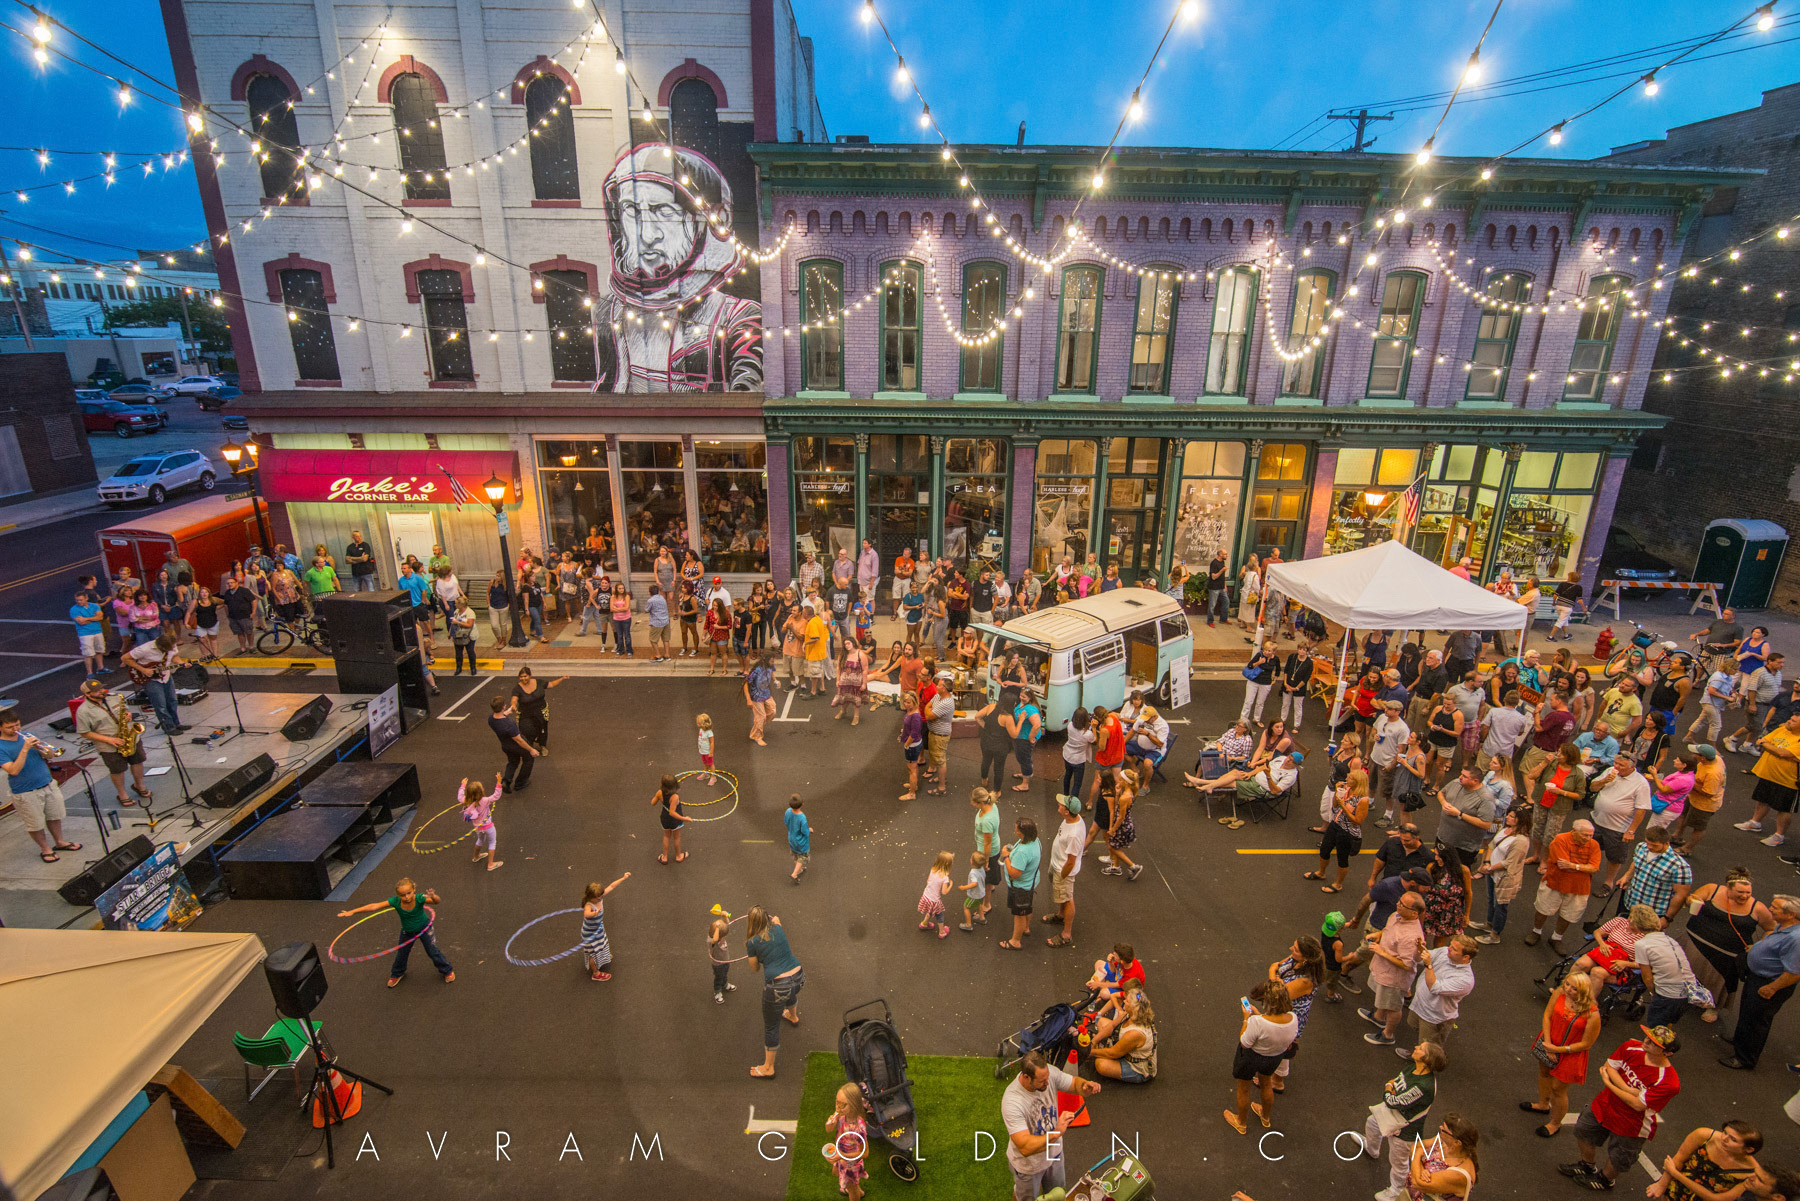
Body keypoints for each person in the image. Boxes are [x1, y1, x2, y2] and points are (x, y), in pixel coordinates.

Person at [1564, 1025, 1683, 1191]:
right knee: (1584, 1131)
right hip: (1604, 1105)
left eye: (1654, 1043)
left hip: (1631, 1123)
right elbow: (1609, 1067)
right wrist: (1630, 1090)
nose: (1646, 1041)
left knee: (1619, 1157)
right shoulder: (1631, 1046)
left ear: (1668, 1053)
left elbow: (1637, 1105)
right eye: (1648, 1036)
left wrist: (1609, 1084)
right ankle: (1587, 1165)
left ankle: (1605, 1180)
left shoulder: (1669, 1082)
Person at [1679, 869, 1777, 1025]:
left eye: (1748, 892)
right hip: (1694, 942)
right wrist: (1691, 900)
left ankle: (1713, 1007)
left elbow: (1772, 928)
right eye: (1740, 892)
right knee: (1685, 970)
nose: (1744, 896)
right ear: (1728, 888)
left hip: (1727, 955)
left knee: (1717, 983)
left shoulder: (1757, 908)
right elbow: (1691, 898)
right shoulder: (1712, 889)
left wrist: (1759, 946)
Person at [1004, 1048, 1102, 1200]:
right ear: (1026, 1077)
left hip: (1054, 1154)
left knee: (1057, 1193)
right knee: (1025, 1198)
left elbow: (1074, 1082)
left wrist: (1084, 1086)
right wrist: (1057, 1132)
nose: (1048, 1083)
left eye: (1048, 1078)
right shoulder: (1012, 1101)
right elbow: (1025, 1147)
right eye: (1042, 1081)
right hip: (1029, 1166)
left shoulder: (1047, 1073)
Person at [1719, 892, 1800, 1070]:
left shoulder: (1796, 939)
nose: (1770, 909)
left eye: (1775, 908)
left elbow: (1794, 973)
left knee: (1756, 1021)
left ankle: (1745, 1058)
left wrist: (1771, 988)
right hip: (1758, 978)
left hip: (1770, 983)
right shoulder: (1784, 926)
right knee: (1748, 1013)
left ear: (1790, 914)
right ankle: (1740, 1040)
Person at [1364, 1041, 1448, 1201]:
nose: (1416, 1047)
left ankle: (1397, 1190)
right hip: (1391, 1115)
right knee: (1372, 1123)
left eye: (1421, 1049)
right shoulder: (1414, 1068)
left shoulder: (1423, 1086)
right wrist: (1391, 1088)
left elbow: (1393, 1099)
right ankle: (1371, 1148)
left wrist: (1388, 1090)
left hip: (1405, 1131)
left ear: (1427, 1060)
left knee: (1399, 1162)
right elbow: (1396, 1082)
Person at [1523, 972, 1603, 1138]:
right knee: (1544, 1073)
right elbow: (1547, 1016)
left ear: (1584, 991)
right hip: (1550, 1043)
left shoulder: (1592, 1014)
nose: (1568, 989)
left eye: (1574, 988)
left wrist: (1556, 1050)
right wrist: (1548, 1043)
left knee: (1558, 1090)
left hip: (1570, 1053)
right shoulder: (1560, 993)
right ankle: (1543, 1104)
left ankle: (1555, 1123)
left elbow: (1586, 1044)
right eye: (1567, 984)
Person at [338, 877, 452, 988]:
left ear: (414, 890)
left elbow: (436, 901)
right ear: (398, 895)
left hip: (424, 929)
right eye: (402, 895)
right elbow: (374, 906)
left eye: (409, 893)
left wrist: (433, 896)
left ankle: (447, 970)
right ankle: (397, 973)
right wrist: (352, 912)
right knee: (401, 954)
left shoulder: (419, 898)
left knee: (432, 951)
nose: (406, 897)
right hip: (407, 932)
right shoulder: (395, 901)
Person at [0, 708, 82, 863]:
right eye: (10, 727)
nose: (16, 729)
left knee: (54, 815)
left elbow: (50, 755)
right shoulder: (1, 747)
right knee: (35, 823)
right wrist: (25, 749)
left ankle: (59, 842)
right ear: (0, 728)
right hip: (26, 791)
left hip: (47, 783)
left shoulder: (30, 736)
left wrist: (43, 749)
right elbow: (13, 770)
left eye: (17, 725)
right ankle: (45, 848)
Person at [1226, 980, 1297, 1133]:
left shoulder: (1256, 1022)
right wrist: (1259, 1015)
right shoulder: (1293, 1018)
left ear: (1268, 1002)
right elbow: (1275, 1029)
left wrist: (1246, 1018)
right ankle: (1265, 1117)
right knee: (1266, 1084)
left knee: (1244, 1089)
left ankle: (1241, 1123)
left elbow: (1244, 1042)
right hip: (1274, 1057)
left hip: (1251, 1058)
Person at [1361, 889, 1427, 1047]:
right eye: (1399, 901)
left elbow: (1407, 964)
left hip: (1394, 978)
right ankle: (1378, 1016)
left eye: (1402, 905)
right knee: (1384, 998)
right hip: (1383, 970)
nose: (1398, 905)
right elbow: (1388, 929)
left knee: (1394, 1006)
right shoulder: (1397, 915)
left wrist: (1381, 952)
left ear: (1414, 913)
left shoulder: (1411, 937)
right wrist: (1378, 935)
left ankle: (1388, 1034)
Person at [745, 907, 804, 1079]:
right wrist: (776, 920)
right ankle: (793, 1016)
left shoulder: (752, 943)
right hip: (799, 976)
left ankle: (768, 1067)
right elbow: (777, 921)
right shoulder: (778, 928)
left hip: (778, 986)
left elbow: (754, 968)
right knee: (790, 991)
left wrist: (754, 953)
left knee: (771, 1026)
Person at [74, 677, 151, 808]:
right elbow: (84, 732)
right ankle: (122, 794)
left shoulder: (114, 697)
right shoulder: (83, 711)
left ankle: (139, 785)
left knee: (138, 760)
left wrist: (128, 714)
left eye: (101, 688)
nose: (101, 691)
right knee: (117, 769)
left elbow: (124, 709)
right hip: (109, 744)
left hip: (129, 736)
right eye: (97, 691)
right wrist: (109, 740)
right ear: (87, 694)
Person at [1527, 819, 1604, 947]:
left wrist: (1574, 866)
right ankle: (1536, 931)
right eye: (1585, 835)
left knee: (1568, 915)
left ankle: (1557, 938)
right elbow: (1563, 866)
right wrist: (1584, 868)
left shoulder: (1594, 845)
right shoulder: (1561, 840)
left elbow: (1594, 868)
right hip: (1554, 883)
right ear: (1574, 831)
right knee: (1543, 909)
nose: (1588, 838)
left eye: (1591, 835)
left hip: (1579, 888)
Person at [1732, 712, 1800, 848]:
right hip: (1768, 774)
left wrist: (1770, 747)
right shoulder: (1783, 729)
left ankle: (1779, 836)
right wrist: (1772, 748)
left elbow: (1782, 753)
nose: (1788, 722)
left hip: (1788, 781)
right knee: (1762, 800)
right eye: (1790, 719)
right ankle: (1755, 823)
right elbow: (1761, 740)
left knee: (1784, 809)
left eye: (1793, 721)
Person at [1589, 753, 1654, 894]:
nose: (1616, 767)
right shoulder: (1610, 772)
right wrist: (1604, 780)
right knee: (1590, 850)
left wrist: (1631, 831)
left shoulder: (1641, 783)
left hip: (1617, 828)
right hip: (1596, 820)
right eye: (1616, 763)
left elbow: (1641, 810)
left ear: (1632, 767)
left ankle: (1608, 882)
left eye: (1621, 765)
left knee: (1614, 857)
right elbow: (1593, 787)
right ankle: (1587, 874)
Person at [1407, 934, 1478, 1055]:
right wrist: (1420, 950)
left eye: (1454, 949)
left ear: (1465, 957)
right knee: (1416, 1030)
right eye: (1450, 945)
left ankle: (1424, 1068)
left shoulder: (1465, 980)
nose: (1448, 949)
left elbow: (1434, 987)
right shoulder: (1445, 952)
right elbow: (1420, 959)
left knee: (1429, 1049)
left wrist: (1429, 964)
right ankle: (1416, 1055)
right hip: (1419, 1005)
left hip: (1434, 1016)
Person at [1470, 806, 1528, 944]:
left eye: (1512, 816)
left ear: (1520, 820)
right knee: (1491, 899)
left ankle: (1495, 934)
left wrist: (1489, 868)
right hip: (1492, 872)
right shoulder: (1504, 830)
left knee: (1500, 905)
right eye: (1508, 815)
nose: (1507, 817)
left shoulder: (1521, 841)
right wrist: (1486, 862)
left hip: (1504, 878)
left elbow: (1509, 863)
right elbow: (1491, 845)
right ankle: (1489, 923)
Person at [1616, 824, 1695, 923]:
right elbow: (1636, 862)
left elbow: (1681, 894)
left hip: (1652, 914)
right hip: (1629, 903)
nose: (1649, 847)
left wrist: (1667, 918)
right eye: (1648, 843)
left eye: (1654, 845)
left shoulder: (1679, 866)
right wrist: (1627, 876)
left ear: (1666, 843)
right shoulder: (1641, 847)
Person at [1308, 770, 1370, 894]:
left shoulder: (1363, 800)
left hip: (1347, 832)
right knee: (1324, 849)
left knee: (1342, 858)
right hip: (1335, 824)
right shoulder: (1346, 790)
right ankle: (1321, 872)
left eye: (1350, 778)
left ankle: (1338, 884)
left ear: (1357, 782)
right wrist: (1338, 793)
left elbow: (1358, 821)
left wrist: (1343, 806)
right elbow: (1335, 806)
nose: (1347, 778)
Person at [1433, 766, 1499, 871]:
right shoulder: (1456, 783)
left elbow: (1486, 824)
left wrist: (1459, 814)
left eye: (1464, 776)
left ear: (1475, 781)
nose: (1460, 777)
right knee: (1438, 868)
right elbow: (1441, 793)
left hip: (1463, 847)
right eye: (1461, 774)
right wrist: (1443, 802)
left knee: (1458, 874)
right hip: (1443, 837)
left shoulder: (1485, 799)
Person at [1087, 983, 1156, 1083]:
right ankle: (1101, 1048)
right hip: (1127, 1049)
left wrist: (1090, 1052)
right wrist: (1093, 1042)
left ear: (1133, 1007)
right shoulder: (1131, 1013)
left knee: (1100, 1064)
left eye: (1127, 1001)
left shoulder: (1135, 1034)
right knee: (1101, 1022)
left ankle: (1102, 1050)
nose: (1124, 1001)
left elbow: (1113, 1053)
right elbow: (1112, 1026)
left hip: (1137, 1067)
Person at [1405, 1113, 1479, 1201]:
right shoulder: (1443, 1141)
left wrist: (1418, 1154)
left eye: (1444, 1130)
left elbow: (1418, 1183)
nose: (1440, 1128)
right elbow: (1415, 1147)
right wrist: (1422, 1170)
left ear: (1457, 1143)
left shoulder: (1459, 1174)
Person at [1044, 793, 1085, 947]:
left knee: (1068, 899)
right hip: (1057, 864)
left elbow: (1071, 861)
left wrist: (1062, 875)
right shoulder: (1072, 818)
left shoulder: (1074, 835)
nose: (1059, 804)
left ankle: (1066, 934)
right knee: (1063, 897)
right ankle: (1060, 915)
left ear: (1067, 811)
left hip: (1063, 870)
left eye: (1061, 804)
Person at [125, 631, 183, 734]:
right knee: (160, 704)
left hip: (166, 676)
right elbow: (125, 658)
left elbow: (174, 656)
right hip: (151, 679)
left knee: (172, 700)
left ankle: (176, 723)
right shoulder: (144, 649)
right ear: (162, 647)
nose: (172, 649)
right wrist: (143, 670)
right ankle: (169, 727)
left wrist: (181, 663)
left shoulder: (172, 646)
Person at [998, 817, 1041, 949]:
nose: (1014, 830)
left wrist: (1006, 856)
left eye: (1016, 829)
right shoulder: (1035, 841)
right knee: (1027, 907)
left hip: (1020, 888)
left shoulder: (1023, 852)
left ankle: (1015, 941)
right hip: (1030, 883)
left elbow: (1014, 874)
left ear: (1022, 833)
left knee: (1019, 914)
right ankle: (1026, 928)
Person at [488, 695, 538, 793]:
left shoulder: (491, 719)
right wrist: (531, 750)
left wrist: (509, 711)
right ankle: (521, 783)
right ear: (504, 707)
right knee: (528, 759)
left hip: (506, 746)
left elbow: (500, 716)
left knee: (513, 761)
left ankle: (506, 781)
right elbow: (519, 740)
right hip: (517, 746)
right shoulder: (509, 724)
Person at [459, 772, 503, 871]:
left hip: (477, 827)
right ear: (481, 792)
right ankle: (490, 864)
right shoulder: (485, 800)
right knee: (492, 842)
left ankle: (476, 856)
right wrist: (499, 782)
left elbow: (460, 796)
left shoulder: (467, 800)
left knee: (480, 840)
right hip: (488, 827)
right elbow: (496, 796)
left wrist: (463, 785)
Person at [833, 636, 868, 725]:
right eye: (845, 644)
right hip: (844, 681)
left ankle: (856, 717)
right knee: (843, 698)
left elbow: (865, 670)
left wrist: (864, 683)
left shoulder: (861, 654)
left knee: (856, 700)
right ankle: (843, 712)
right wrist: (838, 680)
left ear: (853, 643)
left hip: (856, 682)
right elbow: (838, 668)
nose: (847, 645)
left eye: (848, 643)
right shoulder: (842, 655)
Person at [1242, 639, 1278, 724]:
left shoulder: (1275, 659)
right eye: (1266, 650)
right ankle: (1243, 720)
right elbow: (1250, 666)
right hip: (1254, 681)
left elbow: (1278, 669)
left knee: (1260, 703)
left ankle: (1256, 719)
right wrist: (1258, 662)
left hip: (1266, 683)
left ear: (1273, 652)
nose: (1267, 652)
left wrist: (1275, 679)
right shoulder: (1259, 655)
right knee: (1248, 701)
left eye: (1269, 651)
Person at [1206, 547, 1230, 626]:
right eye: (1225, 554)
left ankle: (1223, 619)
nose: (1226, 555)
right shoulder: (1214, 563)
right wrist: (1221, 571)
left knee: (1226, 601)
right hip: (1214, 587)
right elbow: (1213, 577)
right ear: (1220, 554)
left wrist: (1225, 585)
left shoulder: (1222, 562)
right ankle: (1210, 621)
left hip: (1221, 586)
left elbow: (1222, 576)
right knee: (1212, 605)